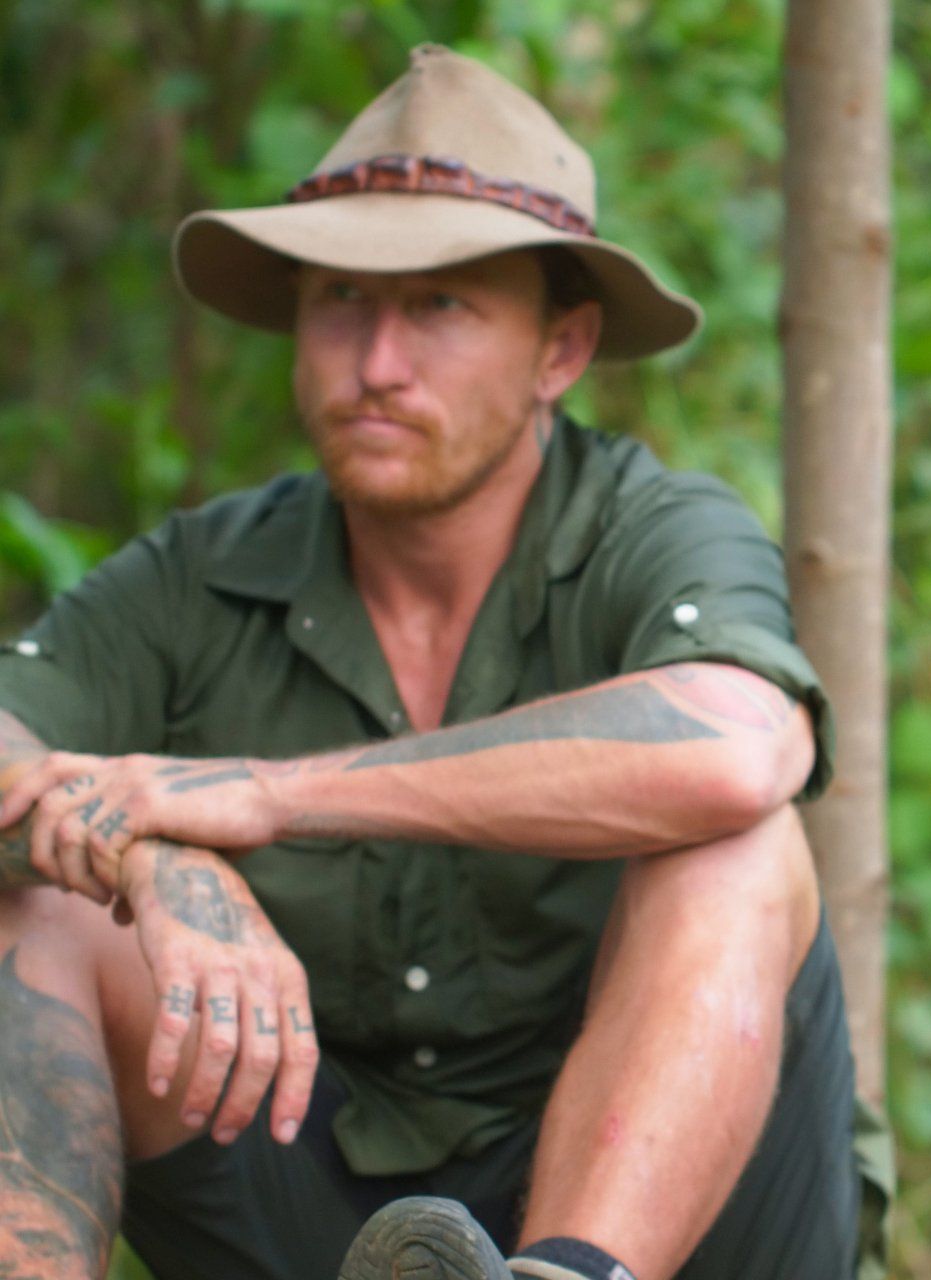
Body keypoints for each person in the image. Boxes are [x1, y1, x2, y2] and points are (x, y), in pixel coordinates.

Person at [0, 44, 866, 1280]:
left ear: (561, 352)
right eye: (341, 300)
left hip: (680, 1213)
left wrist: (264, 794)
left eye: (442, 305)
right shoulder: (205, 569)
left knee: (739, 846)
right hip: (322, 1195)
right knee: (35, 898)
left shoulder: (654, 525)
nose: (379, 362)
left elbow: (737, 744)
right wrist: (163, 857)